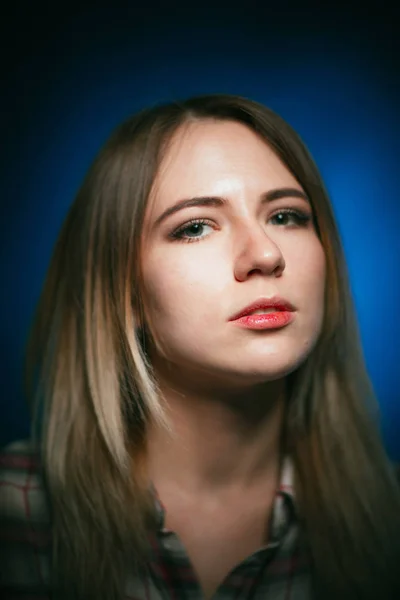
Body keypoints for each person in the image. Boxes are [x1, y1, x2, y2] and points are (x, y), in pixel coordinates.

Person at [1, 94, 399, 600]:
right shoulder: (16, 511)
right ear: (123, 291)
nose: (266, 253)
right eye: (194, 227)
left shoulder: (390, 519)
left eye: (286, 216)